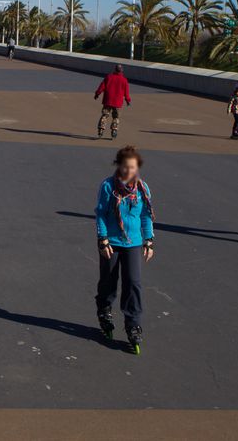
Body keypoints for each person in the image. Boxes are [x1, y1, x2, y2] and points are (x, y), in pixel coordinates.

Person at [95, 145, 155, 353]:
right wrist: (102, 239)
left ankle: (133, 324)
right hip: (111, 242)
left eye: (133, 167)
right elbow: (101, 214)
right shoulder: (108, 186)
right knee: (108, 282)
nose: (129, 171)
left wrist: (149, 240)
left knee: (133, 284)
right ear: (119, 166)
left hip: (133, 243)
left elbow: (146, 216)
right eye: (126, 167)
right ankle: (104, 309)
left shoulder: (142, 189)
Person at [94, 64, 131, 139]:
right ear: (122, 70)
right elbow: (126, 93)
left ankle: (101, 130)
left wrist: (97, 94)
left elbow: (102, 86)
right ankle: (114, 130)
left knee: (104, 115)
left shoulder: (109, 77)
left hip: (108, 100)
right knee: (116, 117)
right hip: (117, 103)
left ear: (115, 69)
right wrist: (128, 100)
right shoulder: (124, 80)